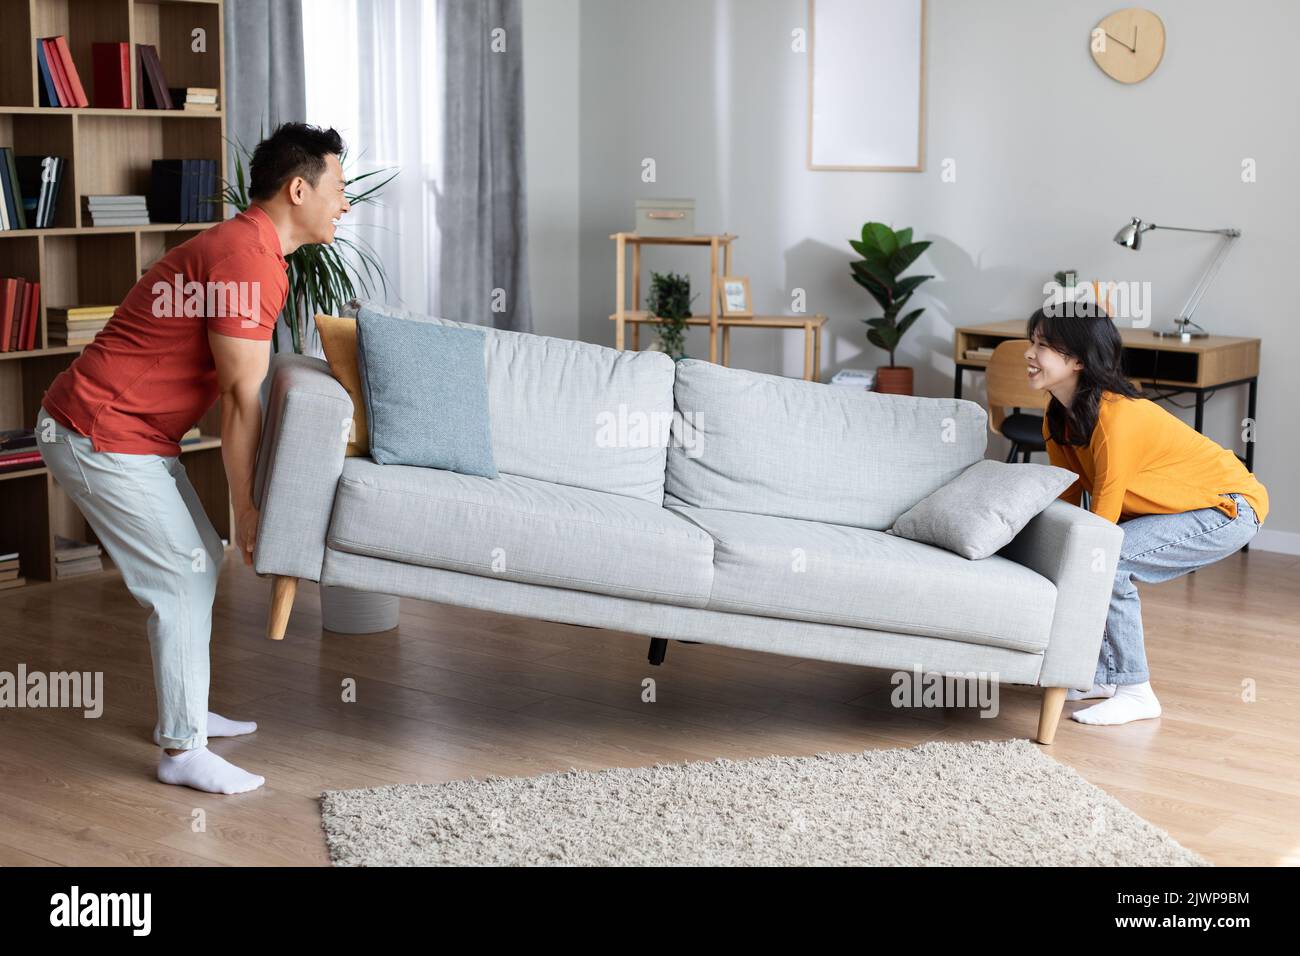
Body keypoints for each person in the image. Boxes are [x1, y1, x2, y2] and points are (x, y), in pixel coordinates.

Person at [36, 123, 350, 793]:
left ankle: (189, 709)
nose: (345, 204)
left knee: (198, 559)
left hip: (135, 435)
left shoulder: (255, 252)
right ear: (299, 190)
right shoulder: (245, 258)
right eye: (339, 188)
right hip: (98, 431)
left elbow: (239, 392)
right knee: (180, 576)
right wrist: (248, 510)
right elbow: (239, 399)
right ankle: (182, 751)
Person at [1023, 307, 1269, 726]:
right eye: (1032, 342)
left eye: (1042, 345)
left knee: (1108, 562)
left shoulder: (1116, 417)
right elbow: (1068, 495)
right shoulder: (1057, 417)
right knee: (1091, 558)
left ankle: (1136, 691)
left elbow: (1103, 518)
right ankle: (1104, 677)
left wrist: (1082, 559)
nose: (1029, 353)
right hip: (1184, 505)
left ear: (1078, 359)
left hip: (1230, 505)